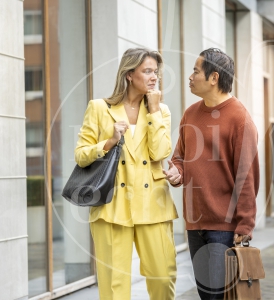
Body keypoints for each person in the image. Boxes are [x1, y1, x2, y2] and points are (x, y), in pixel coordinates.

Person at [75, 48, 178, 300]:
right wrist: (110, 141)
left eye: (156, 72)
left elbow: (160, 152)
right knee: (115, 289)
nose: (154, 77)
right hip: (112, 206)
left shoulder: (161, 110)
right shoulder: (100, 108)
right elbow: (81, 154)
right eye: (147, 71)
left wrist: (154, 110)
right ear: (129, 74)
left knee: (163, 278)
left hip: (153, 204)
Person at [163, 48, 260, 300]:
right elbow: (180, 157)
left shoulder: (240, 119)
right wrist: (177, 172)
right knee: (207, 295)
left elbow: (246, 177)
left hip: (224, 227)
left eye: (196, 71)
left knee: (220, 296)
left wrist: (245, 223)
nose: (191, 76)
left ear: (214, 78)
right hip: (195, 223)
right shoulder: (191, 113)